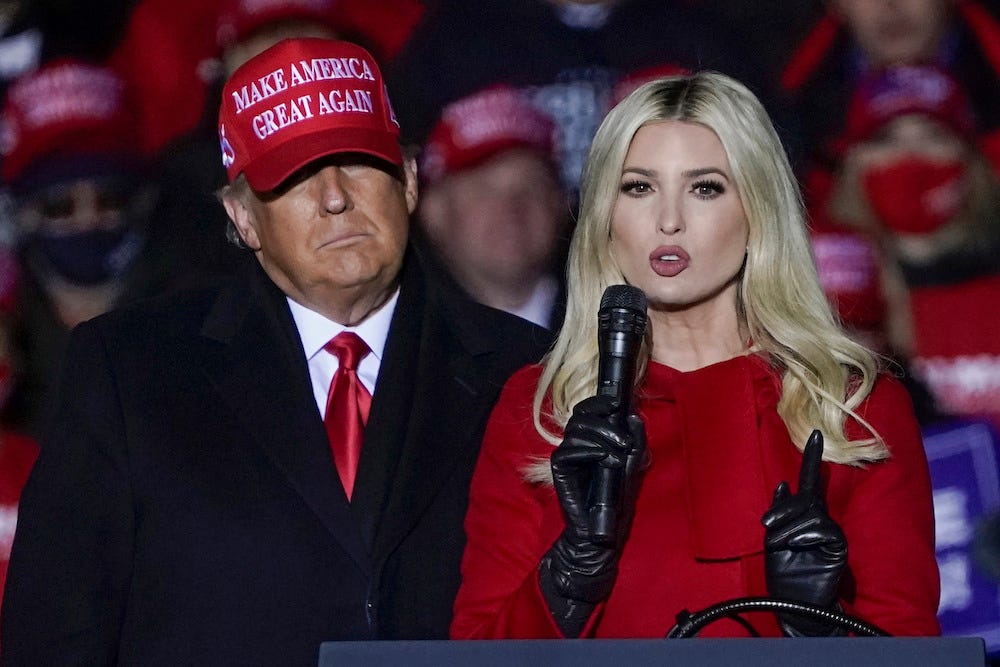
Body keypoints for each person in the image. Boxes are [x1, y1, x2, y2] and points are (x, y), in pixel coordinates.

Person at [1, 37, 550, 665]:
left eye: (359, 161)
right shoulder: (133, 368)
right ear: (241, 217)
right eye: (296, 175)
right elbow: (55, 635)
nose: (336, 197)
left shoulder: (526, 368)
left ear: (409, 181)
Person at [450, 71, 941, 640]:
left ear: (759, 211)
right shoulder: (542, 413)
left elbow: (910, 644)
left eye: (705, 187)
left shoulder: (855, 407)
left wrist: (819, 633)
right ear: (605, 217)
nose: (669, 220)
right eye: (638, 187)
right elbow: (477, 651)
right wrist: (567, 578)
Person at [823, 64, 1000, 429]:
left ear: (972, 159)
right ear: (850, 162)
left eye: (933, 135)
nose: (910, 157)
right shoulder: (816, 302)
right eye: (886, 139)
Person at [0, 57, 156, 438]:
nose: (87, 220)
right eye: (59, 206)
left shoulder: (204, 309)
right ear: (20, 214)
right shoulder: (8, 338)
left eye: (110, 199)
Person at [416, 85, 569, 329]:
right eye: (484, 191)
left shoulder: (616, 323)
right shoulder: (408, 338)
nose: (511, 209)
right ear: (434, 212)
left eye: (531, 186)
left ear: (560, 203)